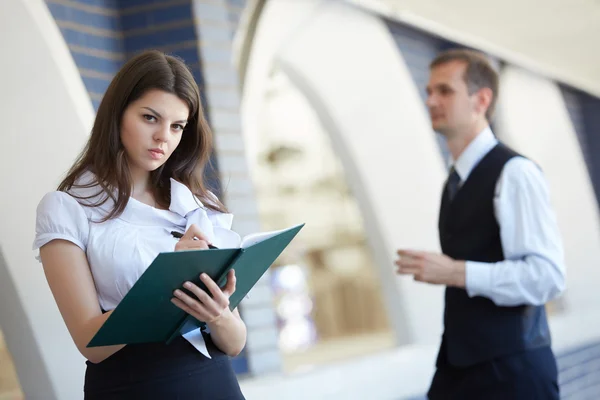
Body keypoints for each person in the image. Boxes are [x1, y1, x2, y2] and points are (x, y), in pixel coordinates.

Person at [33, 50, 247, 399]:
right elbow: (91, 343)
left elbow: (235, 344)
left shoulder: (195, 207)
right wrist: (169, 281)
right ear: (117, 116)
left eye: (177, 126)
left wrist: (219, 314)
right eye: (150, 118)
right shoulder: (68, 207)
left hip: (216, 384)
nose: (164, 136)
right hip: (135, 386)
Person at [395, 49, 566, 399]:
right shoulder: (454, 181)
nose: (431, 100)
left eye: (445, 91)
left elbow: (547, 276)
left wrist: (457, 272)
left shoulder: (516, 173)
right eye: (429, 91)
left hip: (514, 374)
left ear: (481, 99)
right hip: (461, 368)